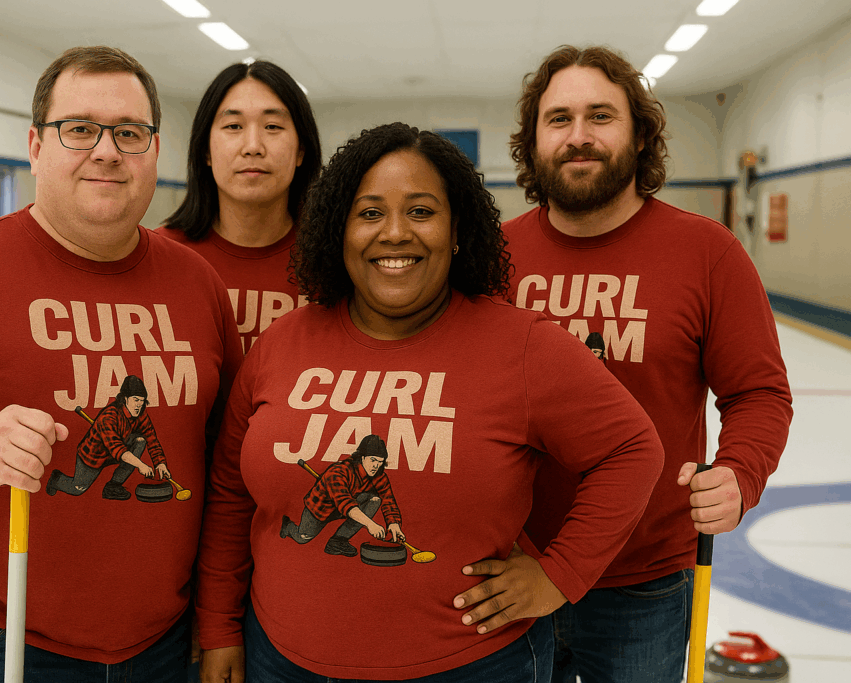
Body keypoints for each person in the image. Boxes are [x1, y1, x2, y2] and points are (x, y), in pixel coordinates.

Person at [195, 122, 666, 682]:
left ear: (458, 229)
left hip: (473, 667)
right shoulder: (283, 341)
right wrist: (220, 625)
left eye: (421, 211)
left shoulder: (523, 345)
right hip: (280, 660)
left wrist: (560, 575)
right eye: (369, 213)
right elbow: (229, 494)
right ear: (337, 231)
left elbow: (633, 450)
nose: (394, 233)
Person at [0, 46, 242, 682]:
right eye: (79, 129)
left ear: (155, 151)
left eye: (129, 132)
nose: (107, 150)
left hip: (161, 642)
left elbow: (228, 461)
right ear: (36, 146)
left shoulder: (197, 283)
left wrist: (217, 612)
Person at [502, 45, 794, 683]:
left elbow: (760, 393)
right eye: (558, 119)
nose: (579, 137)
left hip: (648, 580)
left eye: (601, 116)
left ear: (639, 136)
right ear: (532, 142)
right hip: (512, 572)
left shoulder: (707, 252)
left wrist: (740, 474)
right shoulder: (492, 258)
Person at [156, 60, 322, 354]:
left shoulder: (334, 261)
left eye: (273, 126)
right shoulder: (157, 258)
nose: (253, 146)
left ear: (301, 151)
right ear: (205, 150)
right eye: (233, 126)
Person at [47, 375, 171, 500]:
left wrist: (160, 463)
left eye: (142, 400)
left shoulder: (141, 413)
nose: (139, 405)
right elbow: (118, 449)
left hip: (119, 449)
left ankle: (113, 486)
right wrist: (141, 465)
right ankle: (57, 479)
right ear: (125, 398)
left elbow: (152, 439)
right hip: (94, 455)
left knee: (140, 441)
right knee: (77, 488)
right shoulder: (109, 416)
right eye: (135, 400)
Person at [280, 434, 405, 555]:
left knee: (375, 500)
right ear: (362, 457)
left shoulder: (379, 476)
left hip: (348, 506)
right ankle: (288, 526)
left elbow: (388, 499)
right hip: (321, 509)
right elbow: (345, 503)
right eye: (373, 460)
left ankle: (338, 541)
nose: (376, 466)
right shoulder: (339, 472)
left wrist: (393, 523)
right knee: (302, 538)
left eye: (380, 462)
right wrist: (370, 524)